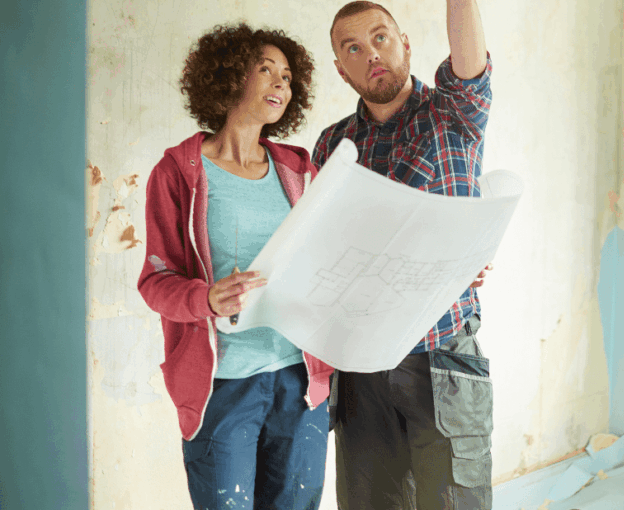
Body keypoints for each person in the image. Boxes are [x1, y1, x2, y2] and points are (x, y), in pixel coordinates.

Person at [137, 23, 333, 510]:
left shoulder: (301, 171)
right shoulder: (178, 173)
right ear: (227, 78)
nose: (279, 84)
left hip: (301, 382)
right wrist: (205, 298)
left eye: (287, 76)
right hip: (222, 385)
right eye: (265, 69)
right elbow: (154, 281)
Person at [311, 1, 494, 508]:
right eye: (353, 48)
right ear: (341, 69)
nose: (371, 54)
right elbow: (324, 252)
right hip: (361, 365)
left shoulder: (453, 113)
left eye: (381, 38)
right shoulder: (332, 146)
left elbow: (469, 56)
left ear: (406, 43)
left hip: (442, 356)